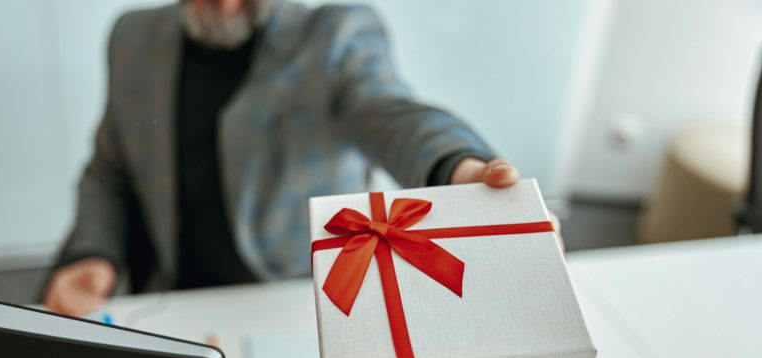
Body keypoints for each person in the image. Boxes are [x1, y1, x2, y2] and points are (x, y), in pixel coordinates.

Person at [44, 0, 522, 317]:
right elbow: (111, 169)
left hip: (304, 305)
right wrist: (91, 253)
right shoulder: (132, 36)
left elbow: (391, 115)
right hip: (174, 302)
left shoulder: (334, 35)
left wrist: (459, 168)